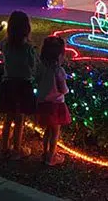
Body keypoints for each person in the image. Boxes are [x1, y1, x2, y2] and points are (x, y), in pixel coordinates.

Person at [0, 11, 37, 159]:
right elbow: (33, 65)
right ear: (26, 29)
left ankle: (4, 147)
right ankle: (17, 149)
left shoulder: (5, 45)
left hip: (8, 83)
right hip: (23, 84)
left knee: (8, 117)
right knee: (20, 118)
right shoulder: (28, 48)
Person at [36, 36, 71, 166]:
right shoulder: (59, 71)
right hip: (56, 106)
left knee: (47, 130)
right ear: (59, 56)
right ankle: (51, 157)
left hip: (43, 104)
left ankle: (45, 153)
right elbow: (63, 89)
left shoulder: (42, 68)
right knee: (55, 132)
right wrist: (67, 90)